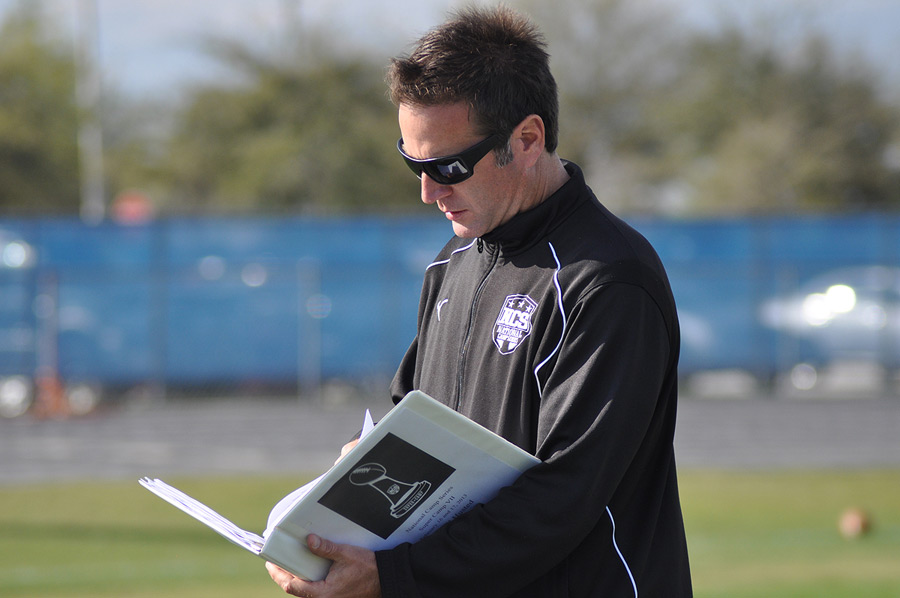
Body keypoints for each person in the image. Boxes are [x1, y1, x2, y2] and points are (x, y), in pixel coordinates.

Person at [268, 5, 692, 597]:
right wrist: (362, 474)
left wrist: (394, 576)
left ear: (527, 139)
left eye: (447, 166)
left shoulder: (608, 280)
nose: (427, 191)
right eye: (412, 162)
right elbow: (413, 424)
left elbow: (563, 494)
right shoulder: (452, 262)